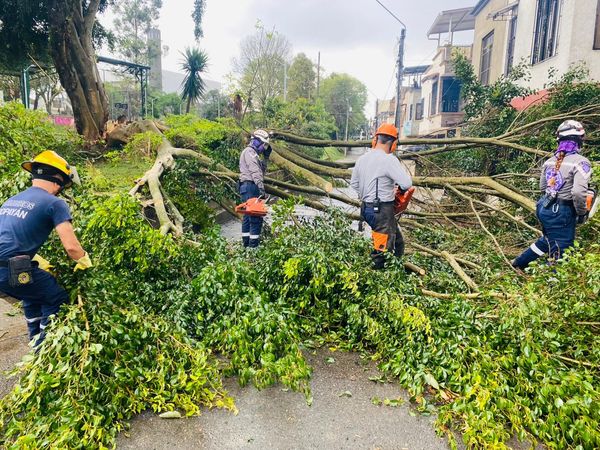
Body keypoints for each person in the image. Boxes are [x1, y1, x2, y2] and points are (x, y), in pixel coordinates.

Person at [0, 151, 93, 345]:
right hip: (10, 271)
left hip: (11, 269)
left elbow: (9, 235)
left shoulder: (14, 199)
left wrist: (34, 260)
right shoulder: (55, 203)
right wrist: (85, 261)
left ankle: (34, 339)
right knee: (56, 296)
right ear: (57, 179)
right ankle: (44, 348)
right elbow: (72, 248)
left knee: (32, 292)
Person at [512, 120, 593, 270]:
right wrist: (582, 213)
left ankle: (520, 263)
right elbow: (578, 192)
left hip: (544, 207)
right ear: (578, 140)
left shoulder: (549, 161)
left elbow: (543, 187)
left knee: (548, 240)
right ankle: (552, 283)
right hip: (562, 212)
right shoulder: (581, 162)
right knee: (562, 251)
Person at [351, 124, 412, 269]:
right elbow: (406, 183)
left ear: (376, 139)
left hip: (366, 209)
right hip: (382, 212)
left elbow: (354, 183)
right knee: (381, 253)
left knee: (397, 242)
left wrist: (367, 194)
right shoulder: (388, 160)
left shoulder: (362, 159)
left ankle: (395, 272)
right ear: (393, 144)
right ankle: (375, 280)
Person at [239, 129, 272, 248]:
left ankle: (246, 247)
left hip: (248, 187)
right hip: (251, 186)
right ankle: (253, 249)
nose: (264, 147)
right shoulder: (250, 152)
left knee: (248, 217)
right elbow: (255, 172)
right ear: (257, 141)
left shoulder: (254, 154)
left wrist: (266, 158)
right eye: (264, 145)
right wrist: (261, 188)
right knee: (255, 217)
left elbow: (261, 171)